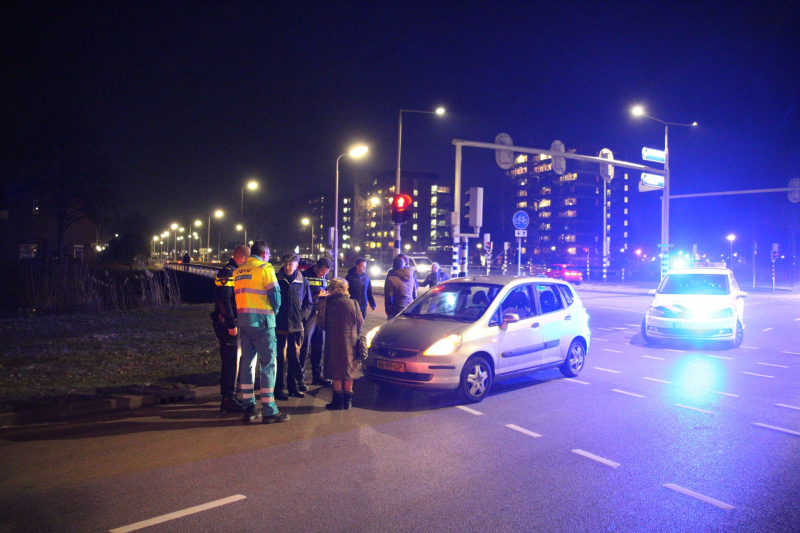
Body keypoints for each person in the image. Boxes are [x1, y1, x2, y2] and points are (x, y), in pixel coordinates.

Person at [233, 240, 289, 424]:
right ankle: (269, 410)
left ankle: (249, 407)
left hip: (244, 322)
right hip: (263, 323)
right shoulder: (266, 268)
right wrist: (275, 311)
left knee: (247, 364)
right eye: (269, 254)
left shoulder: (239, 270)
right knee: (268, 366)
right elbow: (275, 296)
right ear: (264, 253)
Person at [212, 244, 249, 412]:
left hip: (232, 322)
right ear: (243, 258)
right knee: (230, 361)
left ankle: (231, 395)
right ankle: (227, 398)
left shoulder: (235, 271)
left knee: (234, 359)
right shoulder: (228, 272)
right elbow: (223, 300)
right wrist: (231, 323)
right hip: (227, 323)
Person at [319, 278, 363, 410]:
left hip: (333, 339)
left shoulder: (327, 303)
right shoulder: (353, 303)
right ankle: (348, 401)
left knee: (335, 368)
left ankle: (337, 401)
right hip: (351, 340)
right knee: (349, 368)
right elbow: (360, 321)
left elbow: (321, 323)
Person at [275, 254, 313, 400]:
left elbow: (308, 303)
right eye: (286, 264)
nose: (288, 267)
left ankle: (293, 387)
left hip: (296, 327)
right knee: (279, 359)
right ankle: (278, 389)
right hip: (279, 326)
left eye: (291, 264)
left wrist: (301, 316)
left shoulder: (303, 281)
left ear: (297, 265)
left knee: (293, 358)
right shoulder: (276, 279)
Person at [300, 257, 333, 387]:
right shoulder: (305, 276)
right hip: (309, 315)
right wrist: (315, 295)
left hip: (321, 314)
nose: (323, 275)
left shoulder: (325, 277)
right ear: (316, 266)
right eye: (322, 272)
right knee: (305, 346)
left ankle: (317, 376)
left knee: (319, 346)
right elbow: (301, 296)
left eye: (326, 273)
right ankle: (300, 377)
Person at [384, 255, 416, 319]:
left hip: (397, 310)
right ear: (403, 266)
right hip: (409, 308)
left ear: (393, 266)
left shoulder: (391, 279)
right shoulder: (411, 276)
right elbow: (414, 293)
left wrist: (389, 311)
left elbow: (389, 298)